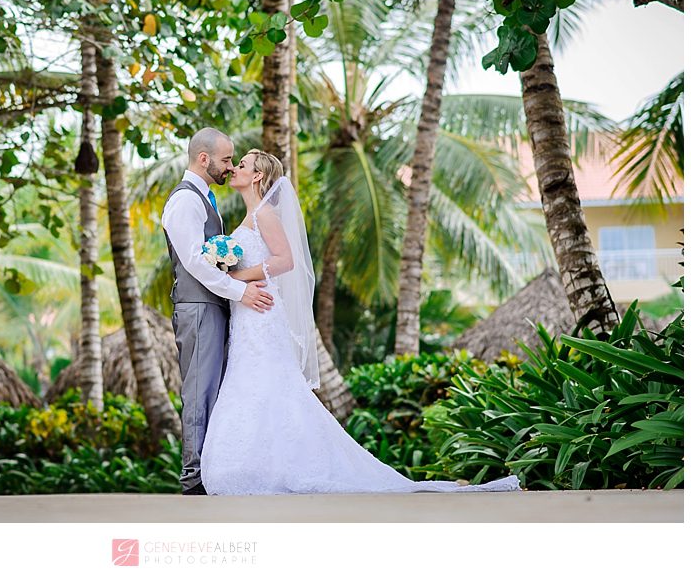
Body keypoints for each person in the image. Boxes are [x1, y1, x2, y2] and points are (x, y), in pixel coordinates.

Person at [199, 148, 524, 495]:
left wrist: (237, 275)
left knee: (268, 383)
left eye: (242, 165)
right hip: (247, 315)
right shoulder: (250, 216)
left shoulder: (266, 215)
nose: (234, 169)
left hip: (262, 313)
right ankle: (256, 464)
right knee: (250, 382)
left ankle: (278, 466)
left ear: (258, 176)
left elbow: (286, 260)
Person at [160, 128, 276, 496]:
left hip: (212, 305)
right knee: (199, 390)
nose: (230, 166)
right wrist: (240, 291)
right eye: (226, 160)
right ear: (203, 159)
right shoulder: (185, 201)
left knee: (213, 390)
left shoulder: (204, 199)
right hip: (197, 307)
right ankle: (193, 478)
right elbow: (194, 260)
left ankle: (209, 471)